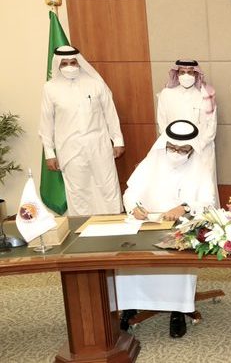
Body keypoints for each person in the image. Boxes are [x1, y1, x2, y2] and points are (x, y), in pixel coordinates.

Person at [116, 120, 216, 338]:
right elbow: (131, 192)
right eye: (172, 148)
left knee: (177, 261)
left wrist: (184, 207)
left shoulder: (200, 167)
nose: (176, 153)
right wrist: (134, 208)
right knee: (129, 259)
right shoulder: (153, 160)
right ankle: (130, 306)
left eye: (183, 150)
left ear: (192, 148)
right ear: (165, 144)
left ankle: (178, 310)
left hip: (182, 225)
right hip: (147, 223)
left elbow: (208, 202)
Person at [39, 45, 125, 216]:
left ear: (79, 63)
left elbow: (110, 114)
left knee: (108, 186)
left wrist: (118, 140)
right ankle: (82, 227)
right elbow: (46, 122)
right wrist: (49, 153)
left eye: (73, 62)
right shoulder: (50, 88)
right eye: (64, 63)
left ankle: (114, 221)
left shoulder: (96, 84)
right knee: (78, 191)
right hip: (69, 148)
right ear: (58, 65)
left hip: (98, 144)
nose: (69, 66)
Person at [157, 60, 217, 197]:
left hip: (201, 150)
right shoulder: (166, 94)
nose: (186, 75)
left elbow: (211, 125)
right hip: (175, 151)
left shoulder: (206, 94)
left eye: (190, 72)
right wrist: (178, 147)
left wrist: (196, 146)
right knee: (176, 189)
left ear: (196, 74)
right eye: (182, 72)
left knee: (202, 190)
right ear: (177, 74)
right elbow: (162, 124)